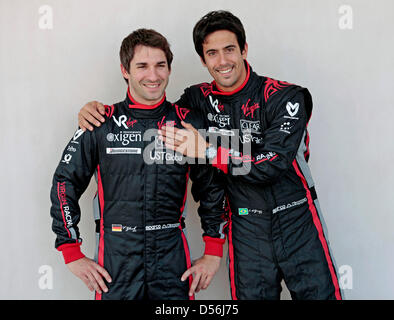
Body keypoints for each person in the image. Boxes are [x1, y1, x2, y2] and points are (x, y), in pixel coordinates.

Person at [77, 11, 342, 300]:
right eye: (212, 53)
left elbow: (272, 165)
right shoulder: (197, 100)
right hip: (245, 227)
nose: (223, 61)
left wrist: (206, 150)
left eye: (229, 49)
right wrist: (97, 114)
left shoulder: (286, 96)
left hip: (296, 220)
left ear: (244, 49)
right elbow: (151, 115)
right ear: (203, 60)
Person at [50, 28, 227, 300]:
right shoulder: (99, 122)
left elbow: (212, 187)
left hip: (171, 258)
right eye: (142, 66)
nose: (153, 76)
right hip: (116, 260)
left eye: (160, 65)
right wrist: (70, 251)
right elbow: (65, 182)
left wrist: (214, 251)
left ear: (169, 69)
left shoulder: (188, 123)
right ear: (125, 70)